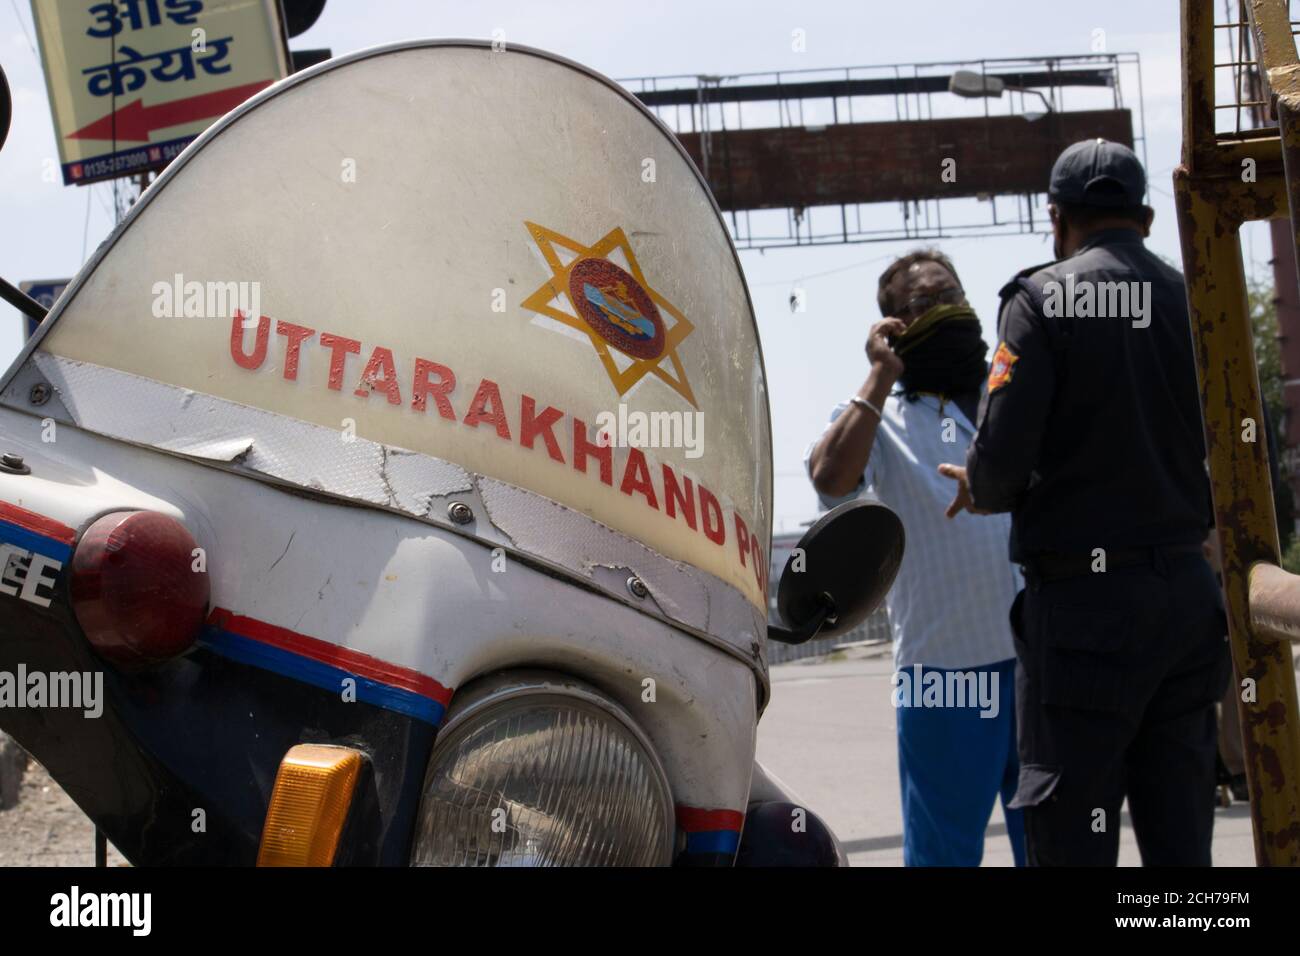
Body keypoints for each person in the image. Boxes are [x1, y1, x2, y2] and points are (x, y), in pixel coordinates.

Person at [940, 139, 1228, 866]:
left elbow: (1000, 469)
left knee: (1070, 838)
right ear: (1149, 221)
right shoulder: (1197, 305)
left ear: (1056, 219)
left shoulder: (1038, 299)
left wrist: (977, 487)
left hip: (1083, 619)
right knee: (1182, 843)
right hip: (1188, 603)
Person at [806, 249, 1026, 867]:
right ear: (892, 325)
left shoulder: (1013, 390)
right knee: (942, 856)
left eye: (952, 294)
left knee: (1057, 844)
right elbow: (829, 479)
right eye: (925, 303)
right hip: (944, 676)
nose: (946, 309)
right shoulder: (882, 417)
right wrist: (878, 376)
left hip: (1042, 659)